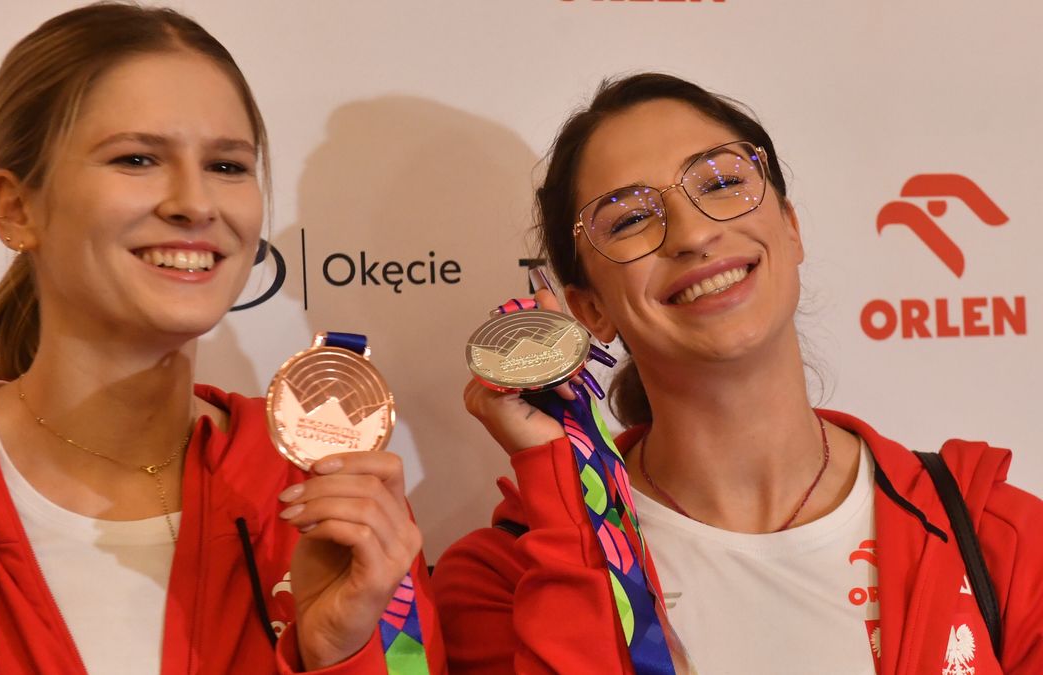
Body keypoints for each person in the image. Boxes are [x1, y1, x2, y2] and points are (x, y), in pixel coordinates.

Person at [0, 4, 443, 673]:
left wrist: (340, 652)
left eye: (227, 166)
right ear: (17, 208)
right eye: (137, 158)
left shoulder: (331, 497)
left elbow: (410, 660)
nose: (195, 202)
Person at [434, 72, 1043, 674]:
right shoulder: (507, 579)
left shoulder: (1001, 539)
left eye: (722, 181)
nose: (695, 234)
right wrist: (560, 488)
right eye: (628, 220)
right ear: (591, 308)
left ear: (791, 226)